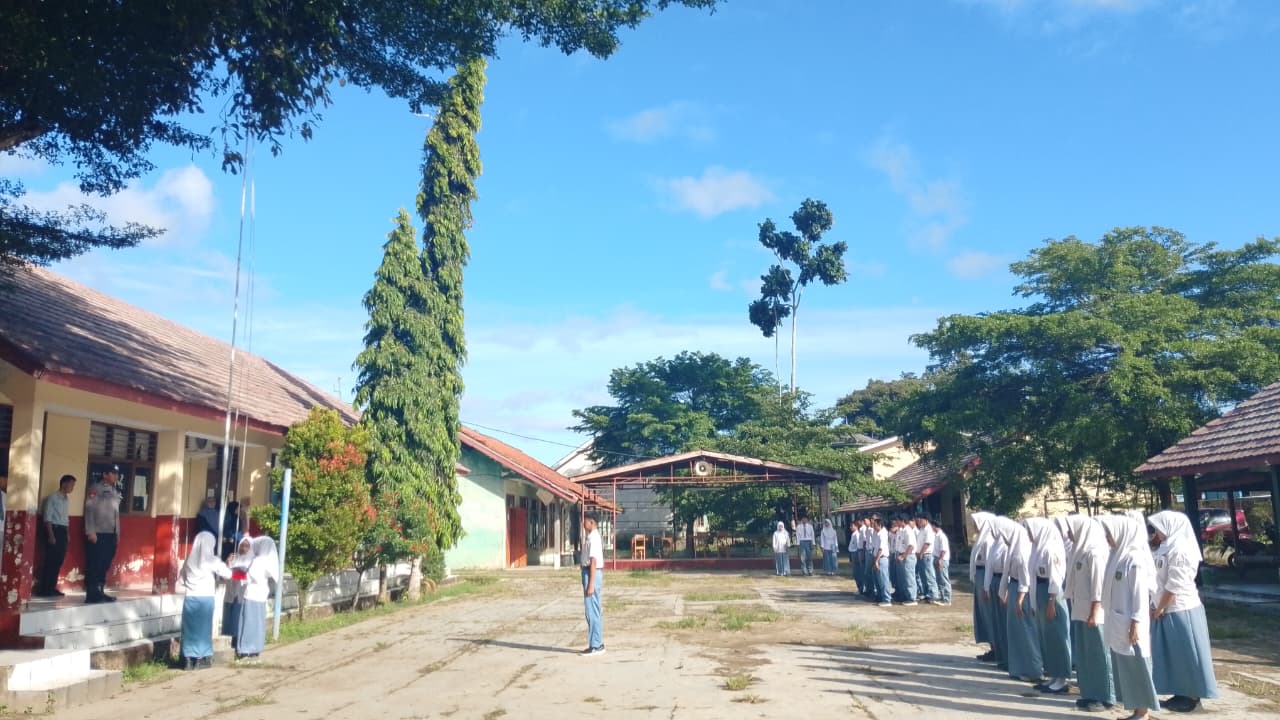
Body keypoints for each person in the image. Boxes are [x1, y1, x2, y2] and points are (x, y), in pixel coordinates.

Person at [1147, 510, 1218, 714]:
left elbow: (1175, 584)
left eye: (1158, 528)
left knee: (1188, 653)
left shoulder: (1181, 549)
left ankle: (1193, 697)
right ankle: (1180, 692)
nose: (1155, 533)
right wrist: (1156, 604)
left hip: (1181, 609)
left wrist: (1160, 606)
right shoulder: (1165, 547)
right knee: (1174, 654)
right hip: (1165, 608)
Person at [1099, 514, 1161, 720]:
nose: (1108, 537)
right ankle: (1136, 710)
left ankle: (1143, 712)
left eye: (1110, 533)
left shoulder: (1134, 560)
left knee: (1137, 666)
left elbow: (1139, 595)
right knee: (1126, 667)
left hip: (1131, 623)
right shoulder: (1117, 556)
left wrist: (1135, 622)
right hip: (1118, 619)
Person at [1065, 514, 1117, 712]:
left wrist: (1095, 612)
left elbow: (1098, 587)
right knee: (1085, 657)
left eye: (1071, 529)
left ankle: (1106, 696)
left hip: (1094, 614)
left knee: (1099, 656)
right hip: (1080, 611)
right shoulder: (1081, 551)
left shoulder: (1095, 553)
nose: (1069, 533)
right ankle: (1089, 693)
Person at [1024, 517, 1072, 694]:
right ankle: (1053, 675)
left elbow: (1056, 579)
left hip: (1052, 595)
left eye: (1030, 530)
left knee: (1058, 637)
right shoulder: (1038, 549)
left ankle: (1062, 678)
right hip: (1041, 592)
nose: (1028, 534)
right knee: (1047, 638)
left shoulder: (1051, 550)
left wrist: (1051, 602)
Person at [1000, 517, 1044, 682]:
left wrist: (1019, 600)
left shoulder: (1022, 552)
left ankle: (1033, 669)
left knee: (1027, 631)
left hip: (1021, 593)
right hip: (1015, 589)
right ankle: (1020, 667)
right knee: (1017, 632)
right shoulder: (1014, 549)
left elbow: (1025, 581)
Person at [179, 531, 231, 669]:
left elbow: (181, 578)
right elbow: (227, 574)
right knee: (203, 629)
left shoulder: (189, 560)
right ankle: (201, 659)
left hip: (190, 597)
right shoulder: (211, 560)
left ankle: (188, 660)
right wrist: (228, 564)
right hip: (206, 598)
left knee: (190, 630)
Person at [83, 465, 123, 604]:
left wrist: (117, 533)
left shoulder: (114, 491)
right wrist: (91, 531)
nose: (116, 476)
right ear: (105, 474)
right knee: (95, 563)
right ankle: (92, 594)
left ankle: (100, 591)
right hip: (98, 533)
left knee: (105, 563)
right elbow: (89, 510)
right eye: (113, 473)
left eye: (117, 474)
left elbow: (116, 514)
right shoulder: (96, 489)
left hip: (110, 534)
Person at [236, 536, 279, 662]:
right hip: (261, 594)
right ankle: (255, 650)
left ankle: (245, 650)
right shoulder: (268, 561)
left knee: (248, 621)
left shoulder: (258, 560)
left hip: (251, 594)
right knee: (259, 623)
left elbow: (250, 575)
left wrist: (238, 573)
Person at [36, 474, 76, 597]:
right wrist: (51, 535)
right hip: (54, 530)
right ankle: (44, 589)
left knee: (58, 560)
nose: (72, 488)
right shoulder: (52, 498)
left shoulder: (65, 499)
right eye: (71, 485)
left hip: (62, 531)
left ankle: (51, 587)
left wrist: (67, 533)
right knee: (50, 560)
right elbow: (47, 518)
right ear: (64, 484)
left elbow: (65, 518)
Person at [985, 517, 1011, 670]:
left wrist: (1004, 591)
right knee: (997, 621)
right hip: (995, 582)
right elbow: (989, 566)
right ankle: (1000, 655)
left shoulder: (1007, 547)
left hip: (1003, 583)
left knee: (1004, 622)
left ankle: (1008, 656)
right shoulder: (995, 545)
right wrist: (987, 586)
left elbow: (1008, 571)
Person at [969, 512, 996, 659]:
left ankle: (996, 647)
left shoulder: (989, 540)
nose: (973, 526)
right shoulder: (980, 539)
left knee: (989, 613)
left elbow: (989, 565)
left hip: (985, 577)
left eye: (976, 523)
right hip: (979, 577)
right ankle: (992, 647)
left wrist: (986, 585)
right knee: (983, 614)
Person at [580, 514, 605, 655]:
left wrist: (590, 584)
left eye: (585, 521)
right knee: (591, 609)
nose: (583, 523)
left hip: (592, 573)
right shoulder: (591, 537)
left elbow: (593, 561)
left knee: (592, 610)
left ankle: (596, 645)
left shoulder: (594, 538)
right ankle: (596, 642)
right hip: (588, 572)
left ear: (591, 522)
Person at [223, 536, 253, 647]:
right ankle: (227, 642)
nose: (243, 548)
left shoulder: (252, 560)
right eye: (241, 545)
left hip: (242, 595)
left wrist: (238, 569)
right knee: (228, 619)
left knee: (238, 620)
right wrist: (227, 563)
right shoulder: (234, 558)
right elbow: (224, 575)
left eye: (246, 546)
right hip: (230, 593)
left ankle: (237, 644)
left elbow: (248, 576)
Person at [914, 515, 939, 603]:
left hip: (926, 555)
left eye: (921, 519)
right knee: (923, 575)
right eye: (919, 519)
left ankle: (933, 595)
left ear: (926, 520)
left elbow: (927, 543)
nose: (919, 521)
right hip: (920, 555)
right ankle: (926, 593)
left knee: (929, 575)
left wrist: (921, 553)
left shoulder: (929, 529)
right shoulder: (921, 529)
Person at [896, 516, 918, 606]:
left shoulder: (908, 531)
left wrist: (903, 556)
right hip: (902, 555)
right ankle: (906, 596)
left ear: (903, 521)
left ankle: (912, 598)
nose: (896, 523)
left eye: (898, 521)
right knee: (904, 578)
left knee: (909, 577)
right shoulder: (902, 530)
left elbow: (911, 546)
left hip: (908, 556)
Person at [871, 515, 892, 607]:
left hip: (882, 558)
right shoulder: (877, 533)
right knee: (878, 579)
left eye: (874, 525)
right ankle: (880, 596)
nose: (873, 527)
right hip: (877, 557)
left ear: (879, 525)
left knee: (884, 579)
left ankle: (887, 599)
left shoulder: (883, 533)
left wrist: (876, 560)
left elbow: (881, 549)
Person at [931, 518, 952, 606]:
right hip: (937, 558)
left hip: (942, 559)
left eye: (932, 526)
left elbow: (943, 550)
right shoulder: (936, 535)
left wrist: (940, 559)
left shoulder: (942, 536)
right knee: (939, 578)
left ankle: (947, 599)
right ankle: (943, 596)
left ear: (935, 526)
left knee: (944, 579)